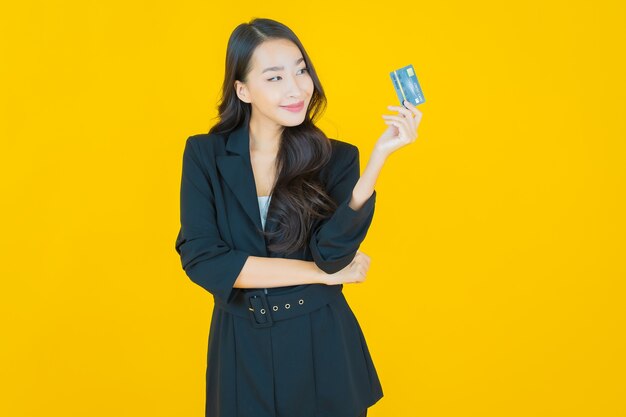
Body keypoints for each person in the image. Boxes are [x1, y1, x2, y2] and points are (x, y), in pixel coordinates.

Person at [175, 17, 422, 417]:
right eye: (274, 78)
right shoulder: (205, 155)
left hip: (322, 344)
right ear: (243, 90)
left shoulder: (338, 158)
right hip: (241, 349)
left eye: (301, 70)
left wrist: (377, 163)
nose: (296, 89)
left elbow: (332, 255)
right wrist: (321, 276)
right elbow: (204, 262)